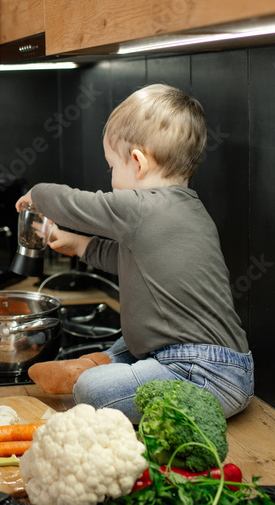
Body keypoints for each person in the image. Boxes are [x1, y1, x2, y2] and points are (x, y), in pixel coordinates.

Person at [20, 83, 253, 423]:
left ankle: (86, 375)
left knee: (93, 392)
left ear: (138, 162)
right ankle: (90, 366)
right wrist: (78, 245)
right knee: (130, 342)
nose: (111, 178)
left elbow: (76, 204)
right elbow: (129, 260)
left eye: (111, 166)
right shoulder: (190, 210)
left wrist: (36, 195)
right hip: (216, 364)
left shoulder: (142, 207)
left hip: (204, 375)